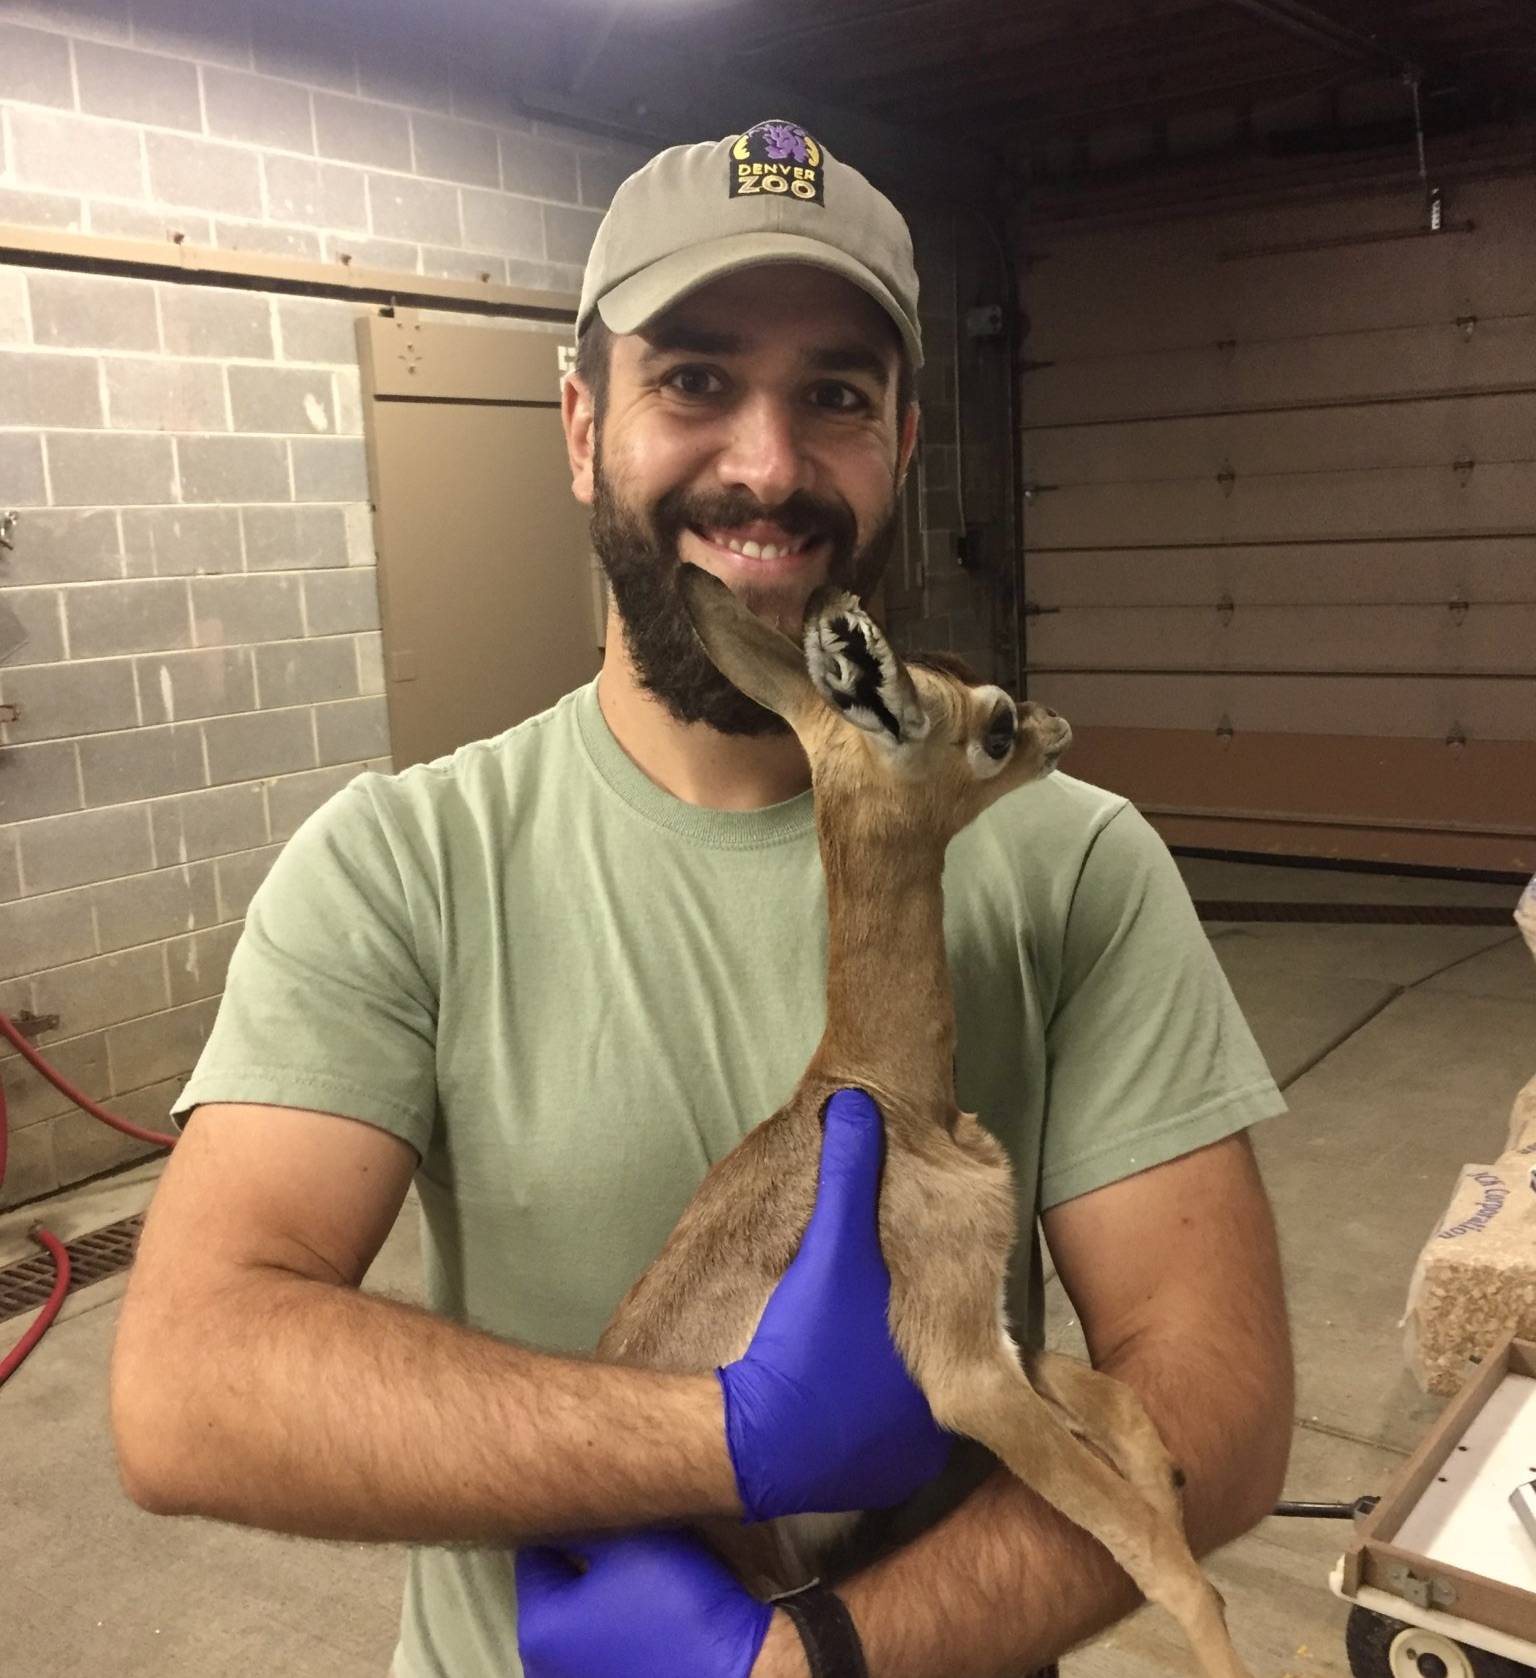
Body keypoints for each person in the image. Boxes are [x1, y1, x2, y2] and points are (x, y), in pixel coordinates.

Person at [110, 119, 1293, 1678]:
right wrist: (722, 1438)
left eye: (835, 397)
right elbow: (190, 1376)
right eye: (695, 380)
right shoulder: (405, 865)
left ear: (904, 444)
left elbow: (1220, 1391)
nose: (768, 464)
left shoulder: (1074, 864)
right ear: (582, 425)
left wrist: (811, 1659)